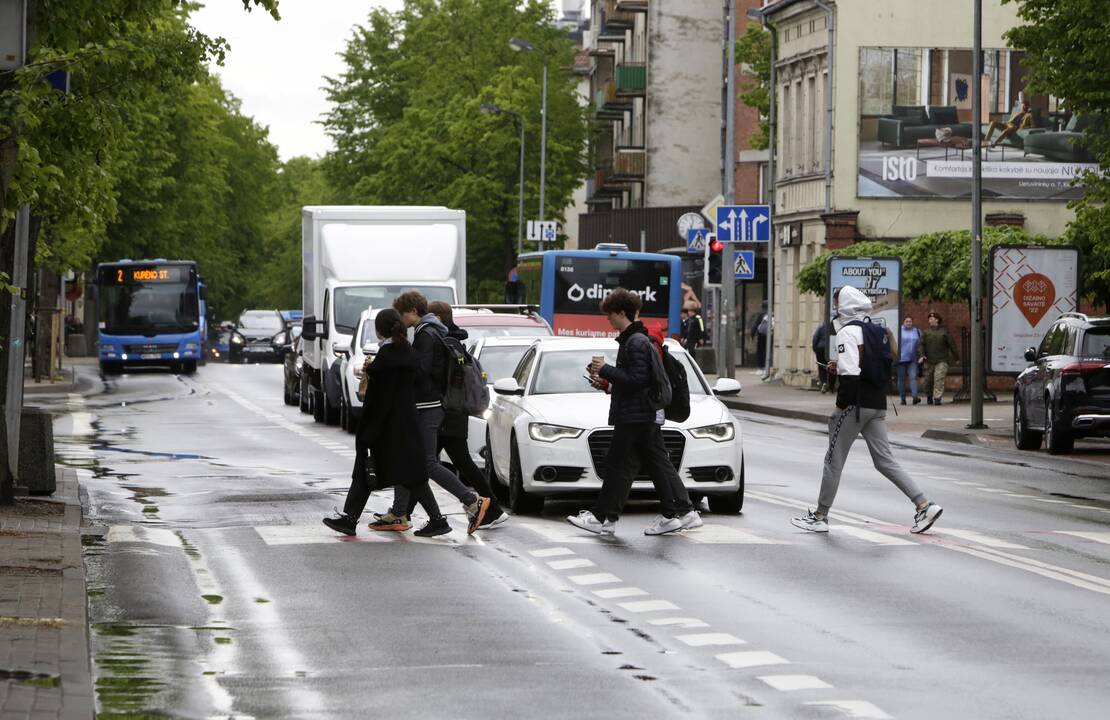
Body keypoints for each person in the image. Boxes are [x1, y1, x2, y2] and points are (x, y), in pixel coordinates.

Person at [791, 287, 943, 535]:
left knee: (833, 460)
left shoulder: (847, 332)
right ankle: (925, 504)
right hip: (878, 403)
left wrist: (840, 407)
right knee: (885, 461)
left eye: (837, 302)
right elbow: (877, 363)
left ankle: (820, 516)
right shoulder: (877, 330)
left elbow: (851, 375)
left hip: (855, 405)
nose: (835, 307)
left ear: (845, 306)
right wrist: (839, 366)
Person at [567, 289, 702, 536]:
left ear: (621, 312)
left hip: (636, 415)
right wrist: (606, 384)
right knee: (651, 464)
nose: (608, 320)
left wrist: (605, 370)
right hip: (639, 413)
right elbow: (634, 380)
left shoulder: (636, 342)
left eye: (610, 315)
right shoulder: (635, 340)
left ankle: (603, 517)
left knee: (620, 464)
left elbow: (638, 380)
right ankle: (671, 513)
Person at [369, 291, 490, 537]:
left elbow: (421, 372)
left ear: (413, 311)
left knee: (426, 463)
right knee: (409, 460)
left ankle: (471, 501)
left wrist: (398, 368)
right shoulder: (434, 329)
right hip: (431, 406)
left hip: (427, 407)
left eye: (403, 315)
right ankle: (399, 512)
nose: (401, 320)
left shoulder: (426, 333)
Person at [322, 309, 428, 536]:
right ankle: (437, 518)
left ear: (380, 330)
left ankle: (350, 519)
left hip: (385, 425)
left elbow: (378, 398)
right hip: (405, 422)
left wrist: (368, 425)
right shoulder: (407, 353)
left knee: (366, 469)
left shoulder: (386, 358)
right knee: (410, 474)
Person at [427, 301, 507, 530]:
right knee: (455, 462)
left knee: (426, 463)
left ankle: (490, 509)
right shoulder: (455, 341)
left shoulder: (443, 342)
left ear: (439, 318)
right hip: (455, 412)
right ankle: (493, 509)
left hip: (445, 413)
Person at [921, 311, 958, 406]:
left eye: (932, 318)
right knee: (928, 381)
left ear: (937, 320)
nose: (930, 320)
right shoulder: (926, 332)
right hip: (929, 360)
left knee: (939, 379)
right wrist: (922, 354)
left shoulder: (944, 331)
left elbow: (952, 344)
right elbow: (921, 344)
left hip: (942, 360)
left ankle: (937, 398)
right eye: (929, 319)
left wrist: (956, 357)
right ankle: (929, 396)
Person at [896, 316, 923, 405]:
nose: (908, 323)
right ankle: (903, 399)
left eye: (910, 321)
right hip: (901, 359)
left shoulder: (917, 331)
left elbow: (921, 344)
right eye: (906, 321)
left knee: (913, 377)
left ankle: (915, 397)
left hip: (913, 359)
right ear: (903, 322)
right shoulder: (898, 331)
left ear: (912, 322)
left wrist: (921, 355)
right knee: (901, 379)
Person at [811, 317, 837, 394]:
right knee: (832, 367)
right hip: (831, 349)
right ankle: (831, 388)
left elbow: (815, 338)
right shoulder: (836, 327)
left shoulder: (821, 326)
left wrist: (816, 349)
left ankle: (824, 383)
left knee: (822, 367)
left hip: (820, 348)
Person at [750, 301, 769, 370]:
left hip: (761, 335)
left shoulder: (761, 314)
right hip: (770, 335)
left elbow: (756, 324)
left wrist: (752, 334)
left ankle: (761, 365)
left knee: (760, 350)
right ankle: (768, 365)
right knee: (768, 350)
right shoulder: (771, 313)